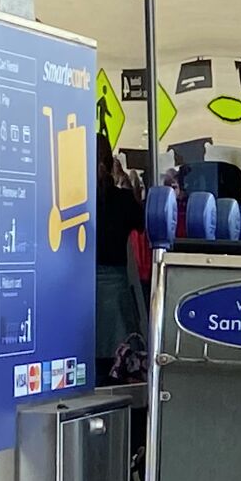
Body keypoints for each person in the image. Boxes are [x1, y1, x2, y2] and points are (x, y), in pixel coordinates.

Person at [94, 131, 146, 383]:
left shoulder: (71, 199)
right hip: (115, 288)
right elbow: (143, 224)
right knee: (116, 360)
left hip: (76, 289)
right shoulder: (122, 200)